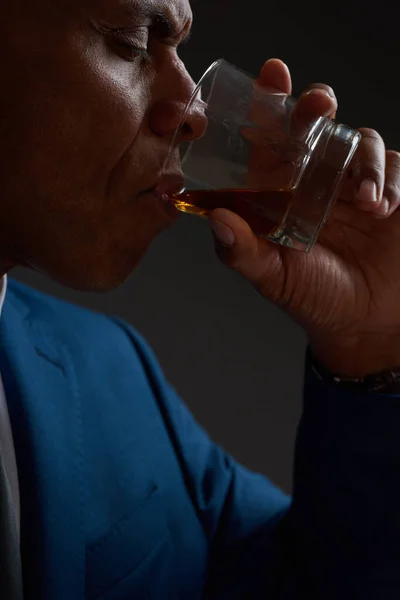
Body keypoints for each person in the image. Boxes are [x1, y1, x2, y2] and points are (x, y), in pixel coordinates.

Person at [0, 0, 399, 598]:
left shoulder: (109, 370)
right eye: (133, 41)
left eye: (179, 51)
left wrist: (367, 347)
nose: (197, 113)